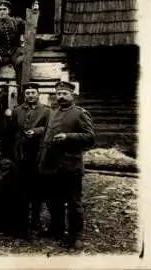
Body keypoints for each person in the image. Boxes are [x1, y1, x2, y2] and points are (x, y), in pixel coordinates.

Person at [38, 81, 95, 249]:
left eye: (64, 93)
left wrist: (68, 137)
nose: (61, 97)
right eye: (58, 93)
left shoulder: (79, 114)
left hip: (70, 166)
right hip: (51, 165)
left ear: (72, 95)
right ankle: (56, 229)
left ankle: (75, 235)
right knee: (53, 200)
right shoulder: (53, 113)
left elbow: (90, 137)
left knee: (73, 202)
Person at [10, 82, 51, 233]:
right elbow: (12, 130)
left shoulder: (46, 111)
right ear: (24, 95)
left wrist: (36, 131)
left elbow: (49, 129)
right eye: (27, 93)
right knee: (21, 188)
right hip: (20, 155)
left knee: (36, 190)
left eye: (33, 93)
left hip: (37, 155)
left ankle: (35, 220)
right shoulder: (17, 111)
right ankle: (22, 221)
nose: (30, 95)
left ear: (38, 94)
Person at [0, 0, 26, 79]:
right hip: (1, 53)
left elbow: (30, 26)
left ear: (8, 11)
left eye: (4, 9)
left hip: (16, 52)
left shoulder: (17, 22)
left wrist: (34, 11)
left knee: (21, 62)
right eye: (0, 9)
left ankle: (21, 88)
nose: (2, 12)